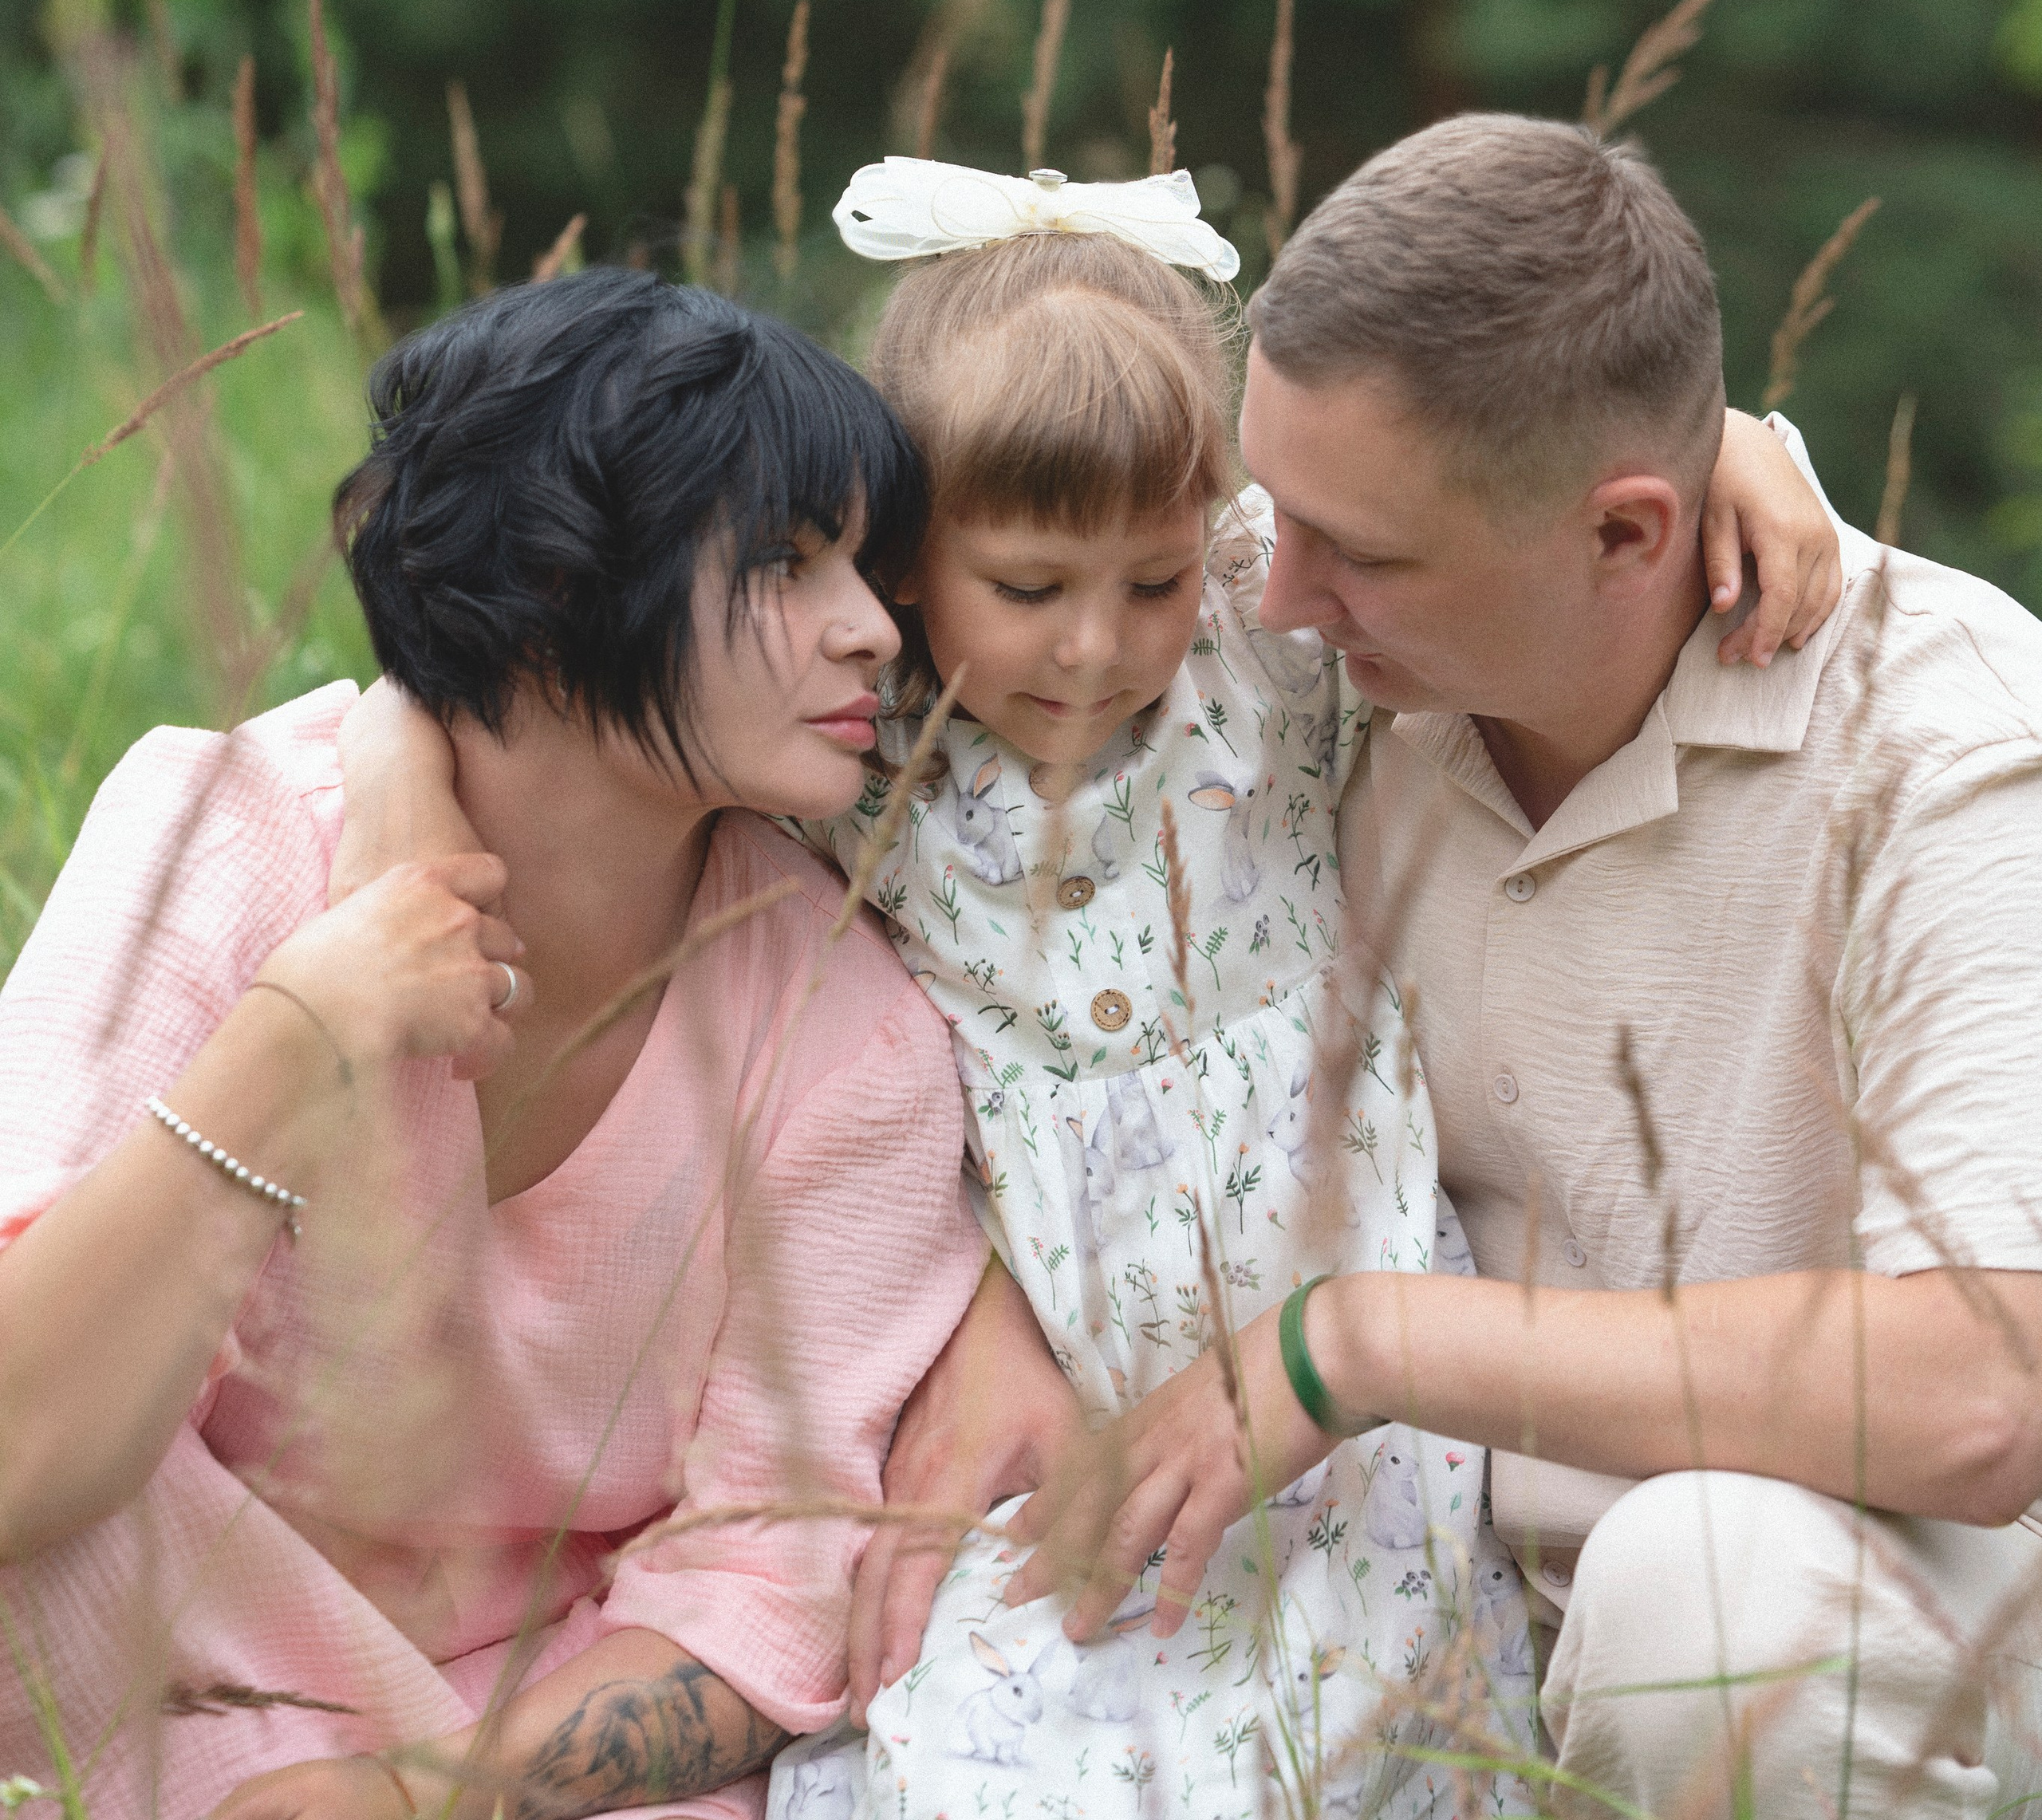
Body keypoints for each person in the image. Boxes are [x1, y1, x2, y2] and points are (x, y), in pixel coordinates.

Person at [340, 160, 1840, 1818]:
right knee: (990, 1744)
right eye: (1030, 590)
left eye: (1149, 578)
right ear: (903, 565)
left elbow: (1518, 480)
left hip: (1336, 1374)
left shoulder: (1262, 653)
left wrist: (1740, 453)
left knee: (1360, 1753)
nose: (1092, 648)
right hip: (1042, 1357)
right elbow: (541, 671)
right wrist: (395, 766)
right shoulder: (863, 735)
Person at [997, 115, 2042, 1818]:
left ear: (1629, 537)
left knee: (1704, 1604)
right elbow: (827, 603)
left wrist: (1368, 1341)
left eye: (1362, 555)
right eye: (1270, 513)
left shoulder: (1949, 757)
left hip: (1885, 1631)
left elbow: (1980, 1397)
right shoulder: (1341, 659)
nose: (1271, 597)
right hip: (1419, 1641)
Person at [0, 270, 985, 1820]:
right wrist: (305, 1026)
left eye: (868, 568)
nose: (873, 631)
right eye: (789, 565)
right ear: (549, 591)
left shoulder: (840, 1025)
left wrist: (414, 1796)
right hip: (148, 1665)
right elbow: (19, 1454)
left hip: (526, 1740)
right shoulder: (229, 831)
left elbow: (765, 1583)